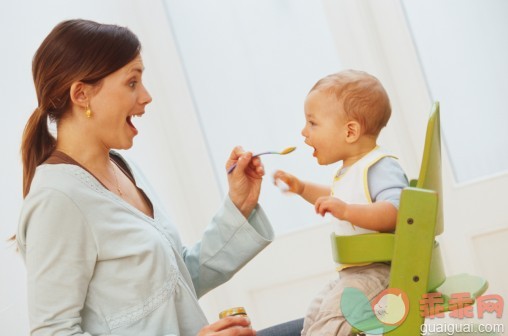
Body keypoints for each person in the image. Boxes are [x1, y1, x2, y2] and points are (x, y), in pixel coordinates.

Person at [17, 19, 274, 336]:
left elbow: (176, 280)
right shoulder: (57, 198)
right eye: (131, 82)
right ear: (81, 94)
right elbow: (51, 332)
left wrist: (239, 205)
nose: (147, 96)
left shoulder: (122, 167)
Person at [273, 70, 409, 335]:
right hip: (355, 274)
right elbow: (335, 199)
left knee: (330, 323)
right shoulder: (351, 171)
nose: (304, 132)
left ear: (350, 131)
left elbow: (397, 211)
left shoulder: (379, 166)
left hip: (380, 274)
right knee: (314, 314)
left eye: (312, 123)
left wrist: (347, 211)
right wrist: (301, 188)